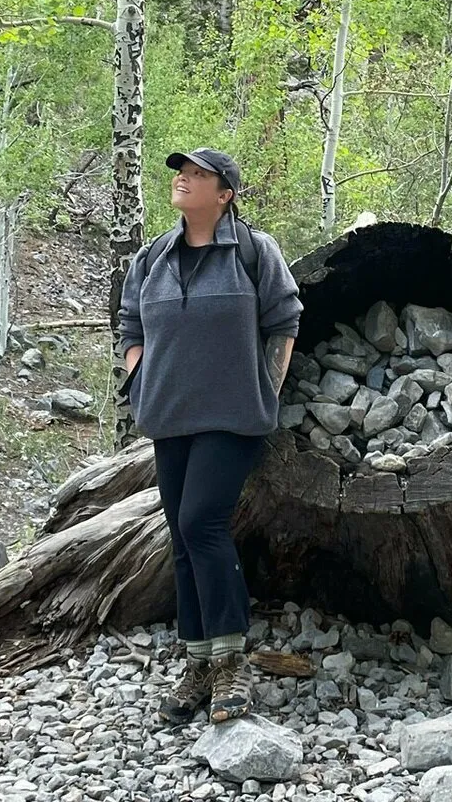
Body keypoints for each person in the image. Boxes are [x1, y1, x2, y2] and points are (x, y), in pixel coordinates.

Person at [116, 148, 301, 725]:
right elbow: (130, 324)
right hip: (169, 417)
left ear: (225, 195)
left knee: (201, 523)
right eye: (182, 172)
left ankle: (230, 664)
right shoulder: (153, 257)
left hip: (232, 417)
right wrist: (140, 380)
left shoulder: (253, 251)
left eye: (199, 175)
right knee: (181, 536)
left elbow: (285, 320)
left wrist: (267, 389)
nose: (184, 179)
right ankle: (197, 664)